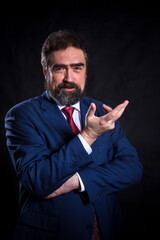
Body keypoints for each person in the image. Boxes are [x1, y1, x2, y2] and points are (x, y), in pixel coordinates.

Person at [5, 30, 143, 240]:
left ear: (85, 71)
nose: (69, 78)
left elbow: (133, 168)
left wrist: (78, 181)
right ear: (45, 72)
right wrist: (87, 136)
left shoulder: (102, 110)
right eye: (60, 68)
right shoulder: (21, 116)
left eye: (77, 68)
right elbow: (38, 181)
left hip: (106, 231)